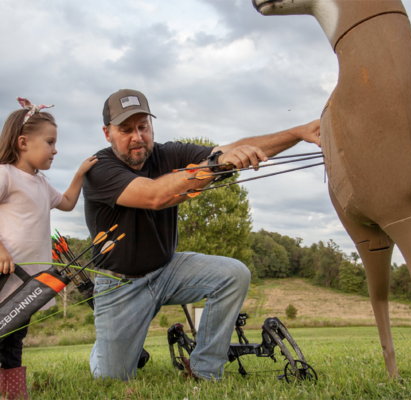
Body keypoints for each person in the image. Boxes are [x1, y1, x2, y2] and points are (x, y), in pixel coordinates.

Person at [83, 89, 320, 381]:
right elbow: (155, 195)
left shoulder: (168, 153)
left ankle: (204, 370)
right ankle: (109, 345)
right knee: (111, 378)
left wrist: (299, 132)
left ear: (151, 127)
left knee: (233, 274)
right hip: (120, 286)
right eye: (126, 130)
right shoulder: (98, 169)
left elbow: (231, 148)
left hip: (166, 270)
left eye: (143, 127)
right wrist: (215, 165)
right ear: (107, 133)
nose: (137, 137)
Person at [0, 98, 97, 396]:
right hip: (4, 274)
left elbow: (67, 203)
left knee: (14, 338)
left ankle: (13, 393)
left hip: (30, 283)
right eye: (50, 142)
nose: (55, 150)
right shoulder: (5, 174)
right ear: (23, 142)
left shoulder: (42, 184)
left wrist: (79, 174)